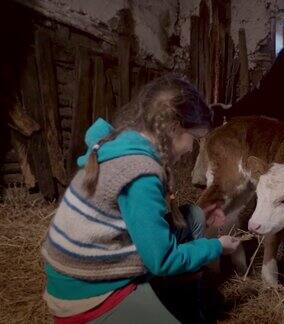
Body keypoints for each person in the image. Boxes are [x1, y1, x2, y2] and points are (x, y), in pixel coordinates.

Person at [41, 73, 240, 323]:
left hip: (89, 260)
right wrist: (216, 247)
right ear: (174, 127)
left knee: (195, 216)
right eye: (194, 138)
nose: (191, 149)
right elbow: (162, 260)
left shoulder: (123, 140)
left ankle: (190, 305)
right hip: (87, 290)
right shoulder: (140, 171)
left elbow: (145, 215)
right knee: (171, 256)